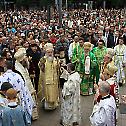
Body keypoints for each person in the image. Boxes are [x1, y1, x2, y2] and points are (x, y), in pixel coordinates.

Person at [14, 47, 38, 120]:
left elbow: (28, 69)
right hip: (25, 88)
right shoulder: (17, 68)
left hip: (29, 86)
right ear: (21, 59)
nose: (26, 59)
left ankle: (33, 114)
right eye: (25, 58)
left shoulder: (22, 64)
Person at [38, 43, 59, 110]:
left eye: (51, 52)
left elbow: (57, 68)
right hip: (46, 79)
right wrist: (42, 65)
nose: (50, 53)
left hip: (54, 80)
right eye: (48, 52)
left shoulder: (55, 59)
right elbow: (41, 69)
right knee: (47, 93)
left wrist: (59, 65)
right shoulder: (43, 59)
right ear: (46, 52)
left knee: (53, 92)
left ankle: (54, 105)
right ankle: (47, 105)